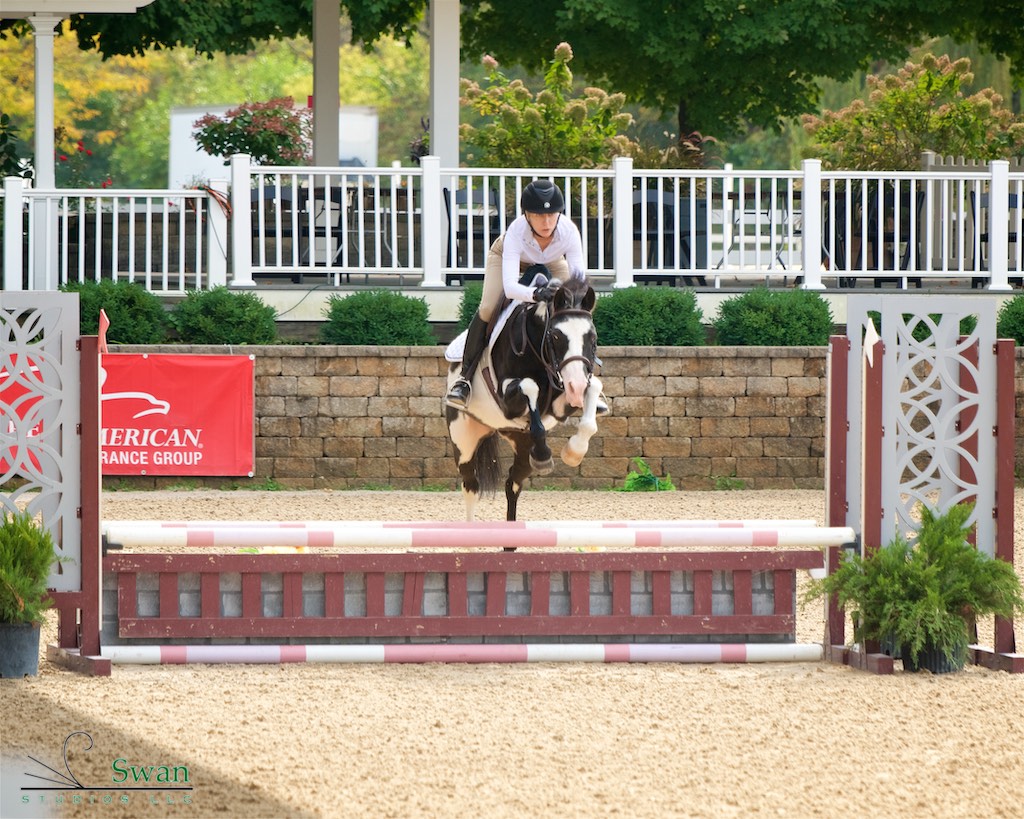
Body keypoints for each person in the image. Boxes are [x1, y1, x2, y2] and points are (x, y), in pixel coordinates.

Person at [445, 179, 587, 409]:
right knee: (489, 308)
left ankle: (587, 379)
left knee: (576, 308)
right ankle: (464, 380)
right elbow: (511, 288)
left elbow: (579, 281)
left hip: (551, 260)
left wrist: (575, 299)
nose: (547, 221)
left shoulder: (569, 231)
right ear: (527, 215)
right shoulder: (516, 232)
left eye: (552, 214)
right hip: (506, 258)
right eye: (539, 215)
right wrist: (537, 293)